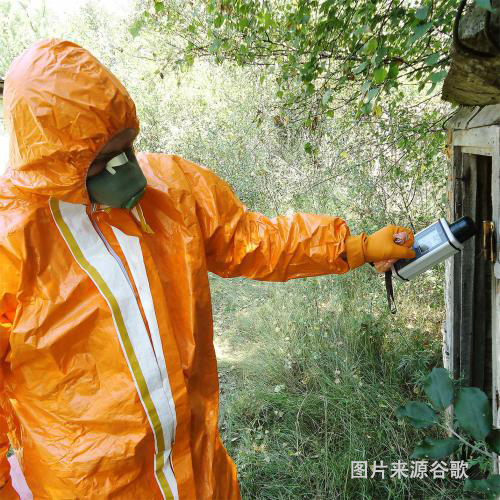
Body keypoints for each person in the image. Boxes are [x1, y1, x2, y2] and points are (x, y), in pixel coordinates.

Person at [0, 39, 416, 499]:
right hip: (89, 486)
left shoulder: (170, 189)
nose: (125, 170)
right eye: (101, 162)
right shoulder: (13, 243)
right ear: (51, 159)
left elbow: (254, 241)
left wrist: (355, 247)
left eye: (128, 147)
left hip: (197, 468)